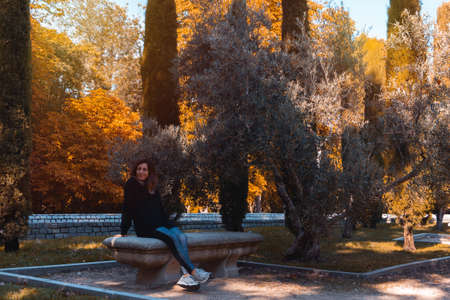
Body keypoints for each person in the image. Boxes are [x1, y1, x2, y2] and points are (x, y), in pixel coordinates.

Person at [120, 159, 211, 290]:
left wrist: (170, 224)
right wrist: (124, 230)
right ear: (135, 170)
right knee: (172, 238)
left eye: (144, 169)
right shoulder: (131, 184)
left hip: (160, 223)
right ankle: (193, 272)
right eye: (139, 169)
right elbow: (127, 209)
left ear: (149, 172)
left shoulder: (152, 186)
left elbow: (160, 210)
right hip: (145, 227)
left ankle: (185, 275)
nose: (141, 172)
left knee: (181, 237)